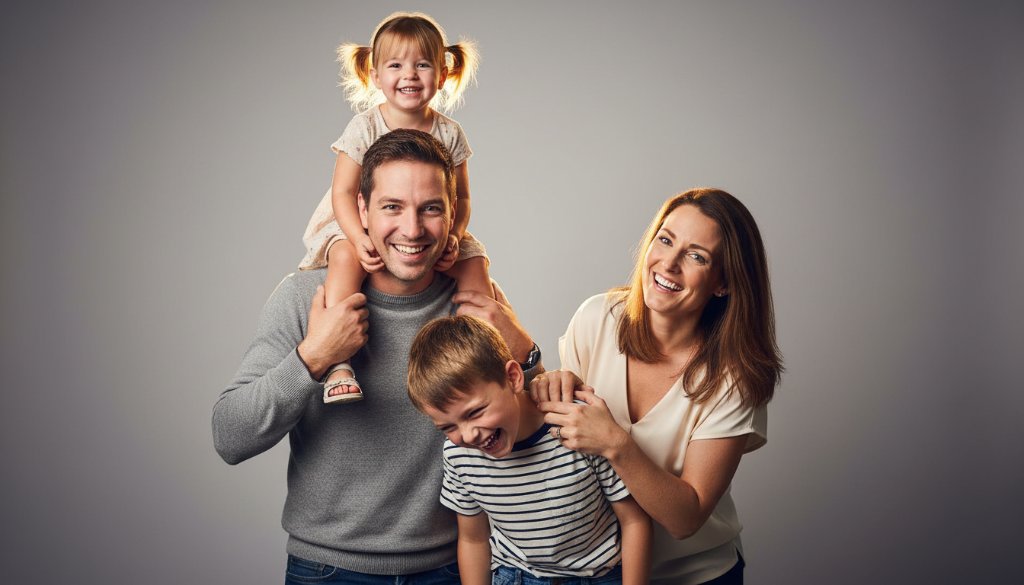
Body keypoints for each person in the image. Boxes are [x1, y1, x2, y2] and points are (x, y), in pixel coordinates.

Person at [212, 129, 540, 584]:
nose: (412, 229)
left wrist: (528, 352)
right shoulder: (306, 298)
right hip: (329, 570)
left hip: (452, 568)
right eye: (392, 207)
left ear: (452, 218)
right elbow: (229, 436)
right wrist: (315, 356)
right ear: (360, 210)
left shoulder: (474, 302)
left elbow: (531, 420)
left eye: (431, 208)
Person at [530, 188, 783, 585]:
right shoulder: (597, 317)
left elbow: (686, 518)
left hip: (694, 576)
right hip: (597, 575)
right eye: (665, 240)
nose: (669, 263)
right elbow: (566, 454)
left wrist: (616, 442)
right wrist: (551, 384)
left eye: (697, 256)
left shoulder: (735, 378)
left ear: (723, 283)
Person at [299, 11, 490, 403]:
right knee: (346, 259)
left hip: (437, 226)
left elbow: (462, 198)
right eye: (396, 65)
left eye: (422, 65)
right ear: (374, 74)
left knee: (475, 263)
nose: (410, 75)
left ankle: (479, 355)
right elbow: (343, 193)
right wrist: (357, 235)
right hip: (353, 217)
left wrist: (454, 235)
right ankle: (338, 362)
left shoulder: (450, 132)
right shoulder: (365, 127)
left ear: (442, 73)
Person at [407, 315, 651, 585]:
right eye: (447, 427)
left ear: (512, 378)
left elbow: (634, 522)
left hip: (599, 577)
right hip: (515, 577)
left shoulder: (579, 426)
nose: (468, 435)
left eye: (475, 412)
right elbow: (473, 539)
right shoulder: (457, 455)